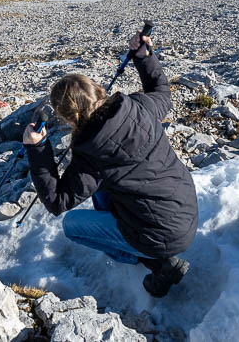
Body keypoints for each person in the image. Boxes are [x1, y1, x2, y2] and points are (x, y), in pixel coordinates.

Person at [23, 32, 198, 297]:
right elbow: (162, 93)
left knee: (72, 225)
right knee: (103, 188)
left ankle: (160, 264)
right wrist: (145, 57)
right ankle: (150, 247)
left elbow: (58, 202)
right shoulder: (138, 106)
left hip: (160, 236)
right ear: (96, 89)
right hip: (187, 209)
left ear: (69, 117)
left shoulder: (92, 155)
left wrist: (37, 149)